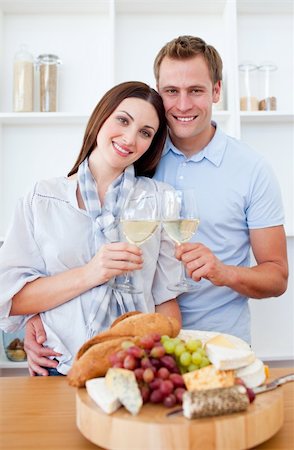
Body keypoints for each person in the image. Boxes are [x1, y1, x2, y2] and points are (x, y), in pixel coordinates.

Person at [23, 35, 289, 375]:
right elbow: (65, 242)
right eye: (171, 91)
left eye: (196, 90)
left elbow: (277, 276)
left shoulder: (252, 169)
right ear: (158, 91)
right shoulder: (132, 153)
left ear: (217, 91)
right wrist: (39, 318)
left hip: (217, 346)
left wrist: (224, 272)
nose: (182, 104)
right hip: (143, 349)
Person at [0, 81, 182, 376]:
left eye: (145, 133)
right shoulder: (43, 198)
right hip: (60, 366)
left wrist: (166, 361)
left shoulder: (159, 199)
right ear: (102, 117)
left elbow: (166, 300)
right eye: (123, 120)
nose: (130, 138)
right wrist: (91, 273)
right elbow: (12, 297)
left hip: (137, 366)